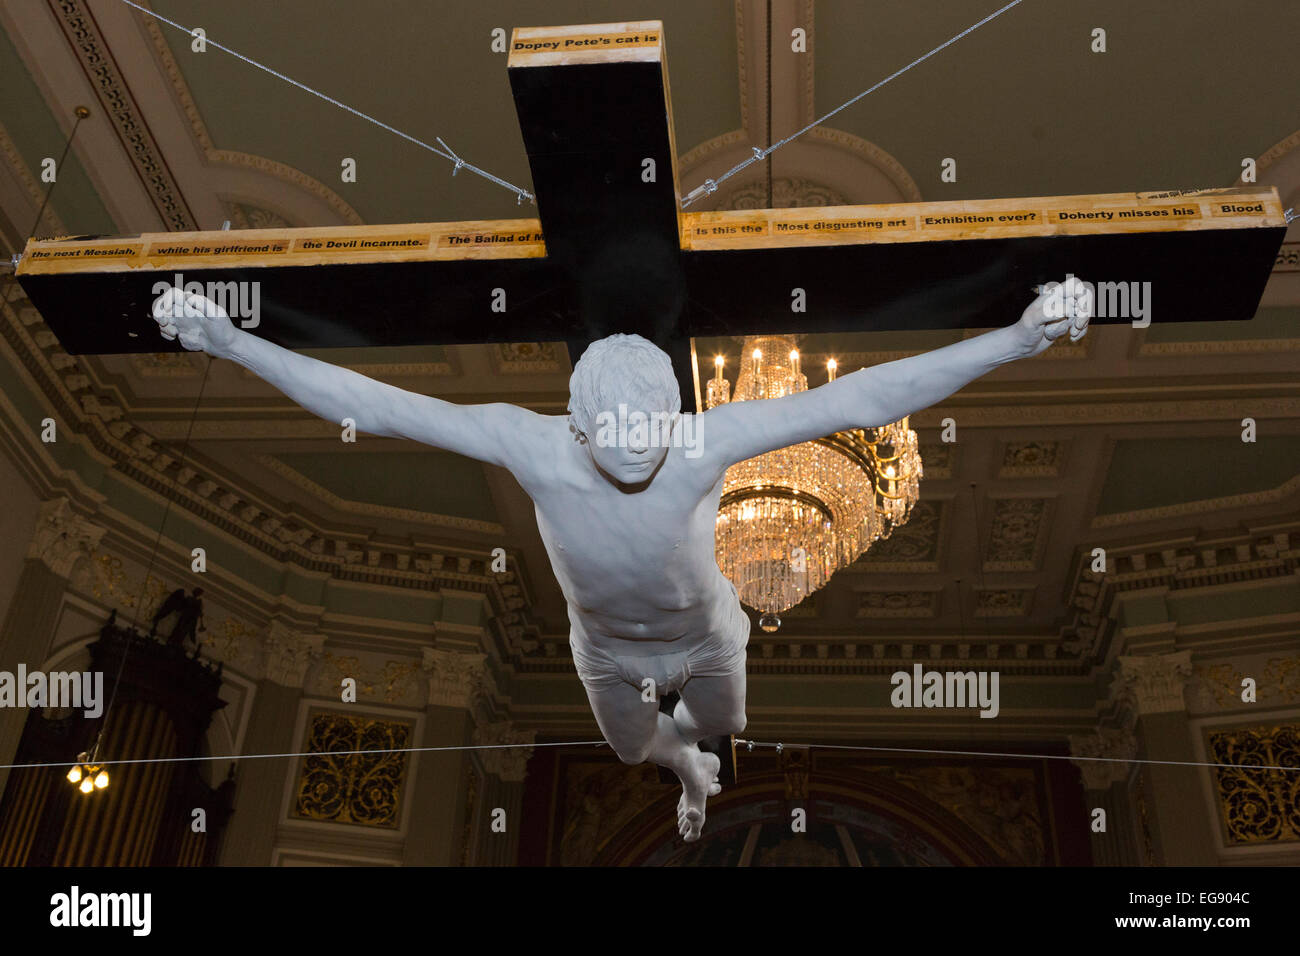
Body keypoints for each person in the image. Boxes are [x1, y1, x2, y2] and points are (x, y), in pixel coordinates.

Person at [151, 278, 1091, 840]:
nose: (644, 453)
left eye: (655, 433)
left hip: (708, 633)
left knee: (727, 721)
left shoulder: (702, 441)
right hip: (601, 650)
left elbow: (872, 395)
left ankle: (702, 758)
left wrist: (1018, 337)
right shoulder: (529, 442)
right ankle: (683, 773)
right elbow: (375, 401)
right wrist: (229, 339)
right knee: (639, 744)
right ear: (582, 422)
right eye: (622, 440)